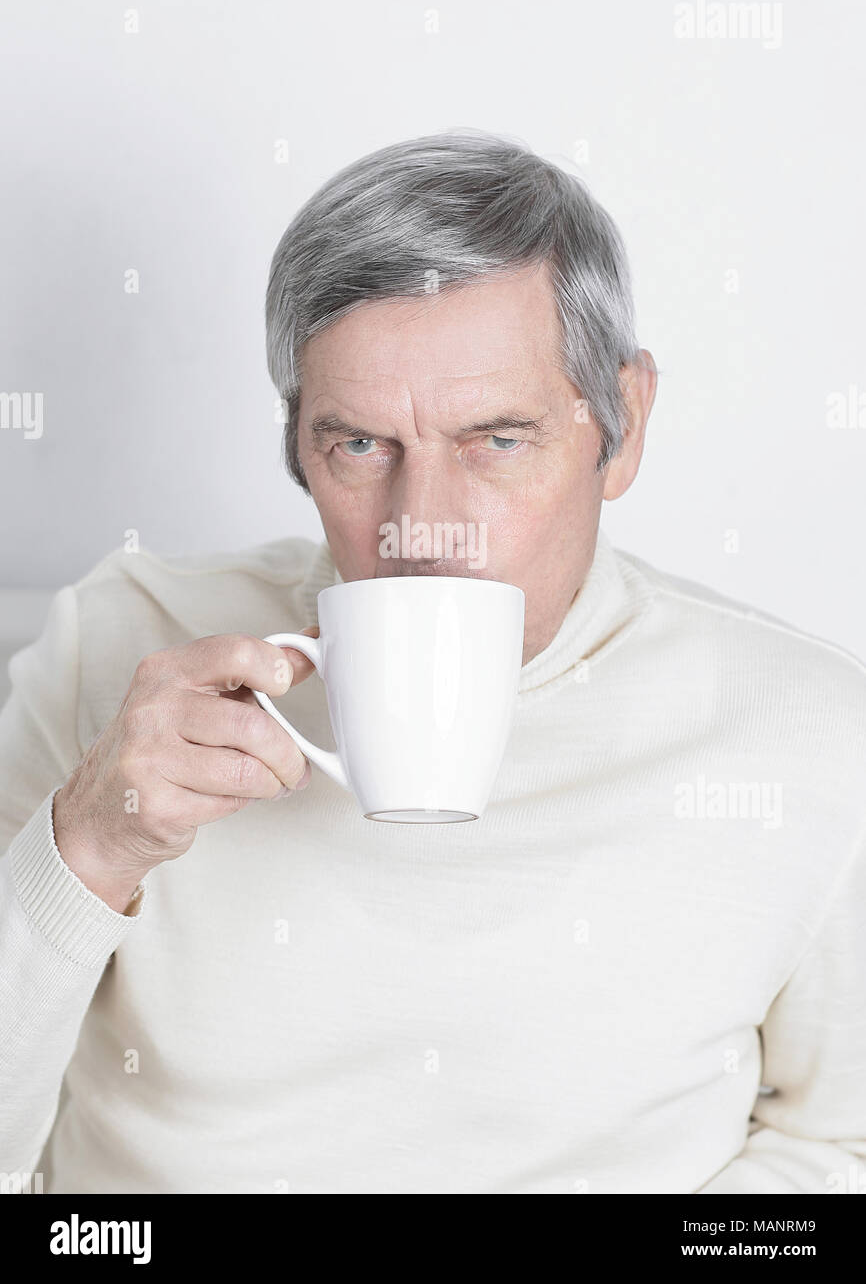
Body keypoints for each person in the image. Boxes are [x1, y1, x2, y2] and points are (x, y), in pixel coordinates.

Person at [1, 131, 864, 1194]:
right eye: (358, 445)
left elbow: (842, 1147)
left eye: (495, 439)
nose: (421, 530)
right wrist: (84, 848)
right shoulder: (117, 648)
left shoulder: (806, 734)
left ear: (623, 424)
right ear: (296, 447)